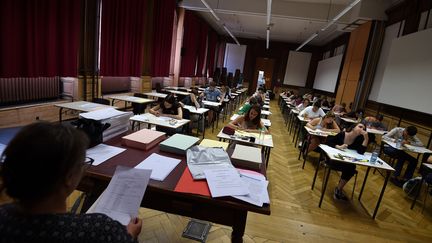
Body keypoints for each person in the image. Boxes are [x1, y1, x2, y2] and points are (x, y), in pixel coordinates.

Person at [0, 122, 142, 242]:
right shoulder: (99, 229)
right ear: (68, 177)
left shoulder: (3, 215)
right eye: (82, 164)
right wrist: (130, 234)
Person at [326, 123, 369, 201]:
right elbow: (328, 141)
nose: (362, 129)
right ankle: (338, 189)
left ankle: (338, 189)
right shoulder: (342, 134)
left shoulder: (359, 139)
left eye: (364, 128)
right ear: (353, 128)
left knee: (352, 168)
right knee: (350, 167)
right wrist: (338, 146)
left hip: (345, 162)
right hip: (333, 159)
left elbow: (361, 152)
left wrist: (366, 138)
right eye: (360, 126)